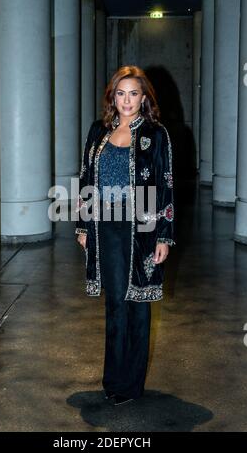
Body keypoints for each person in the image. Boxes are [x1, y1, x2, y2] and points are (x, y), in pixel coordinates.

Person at [75, 65, 176, 406]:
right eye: (121, 93)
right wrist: (84, 225)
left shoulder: (155, 134)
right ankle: (113, 379)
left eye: (134, 93)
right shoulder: (98, 131)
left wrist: (164, 235)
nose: (127, 100)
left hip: (142, 227)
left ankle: (130, 385)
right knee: (116, 301)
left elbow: (165, 186)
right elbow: (86, 178)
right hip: (105, 227)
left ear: (144, 97)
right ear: (112, 96)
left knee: (138, 301)